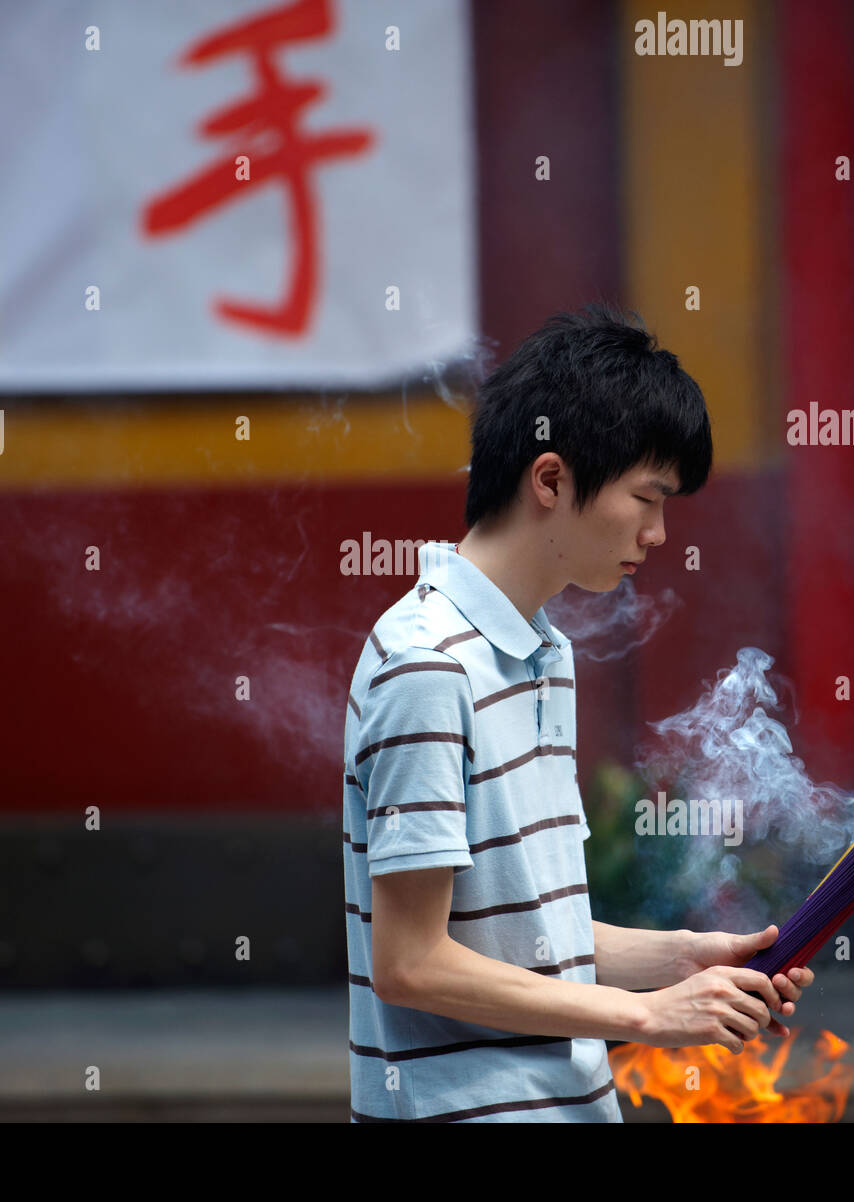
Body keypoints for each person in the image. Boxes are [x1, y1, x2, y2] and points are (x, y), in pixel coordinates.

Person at [341, 302, 813, 1123]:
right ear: (551, 479)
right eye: (647, 498)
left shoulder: (539, 651)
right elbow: (411, 964)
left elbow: (525, 933)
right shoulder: (427, 664)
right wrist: (645, 1017)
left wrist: (684, 959)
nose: (660, 533)